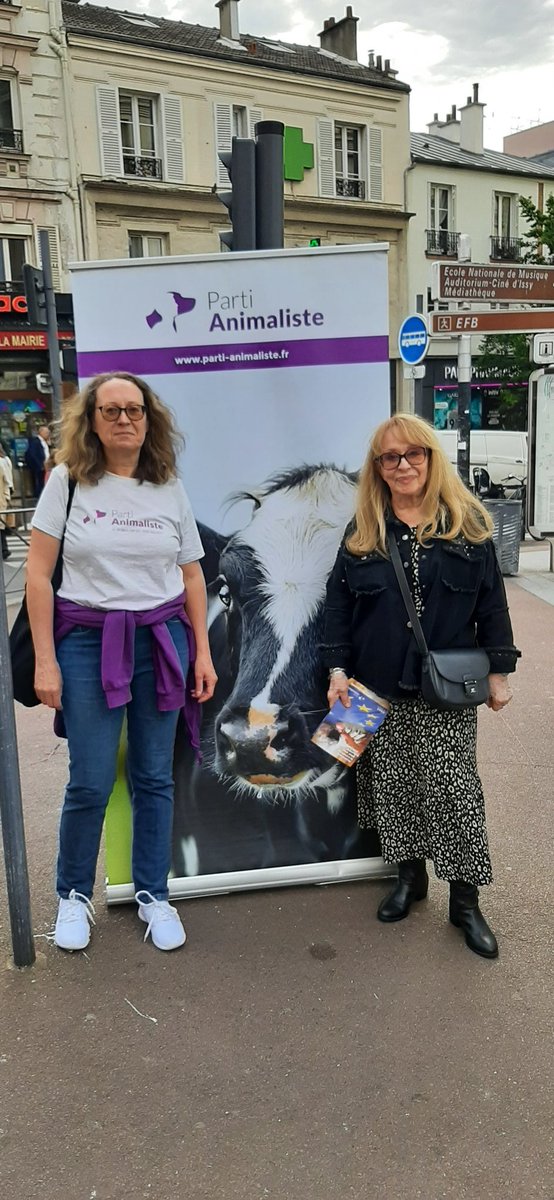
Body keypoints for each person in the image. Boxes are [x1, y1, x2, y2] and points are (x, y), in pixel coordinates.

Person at [26, 371, 217, 953]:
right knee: (89, 777)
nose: (124, 419)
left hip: (161, 642)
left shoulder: (168, 485)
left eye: (134, 410)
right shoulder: (68, 481)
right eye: (111, 411)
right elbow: (37, 574)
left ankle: (155, 895)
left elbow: (190, 574)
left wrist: (202, 652)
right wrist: (45, 662)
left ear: (149, 418)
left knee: (154, 776)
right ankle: (73, 896)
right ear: (92, 421)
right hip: (86, 644)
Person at [323, 414, 520, 960]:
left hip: (445, 690)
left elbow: (491, 604)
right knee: (390, 792)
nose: (403, 464)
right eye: (390, 457)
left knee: (454, 794)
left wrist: (499, 672)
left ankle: (465, 901)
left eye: (414, 454)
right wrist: (336, 672)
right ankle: (410, 881)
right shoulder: (362, 528)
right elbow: (337, 609)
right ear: (379, 468)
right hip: (370, 688)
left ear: (432, 459)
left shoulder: (468, 522)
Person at [25, 424, 50, 497]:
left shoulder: (45, 442)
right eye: (46, 433)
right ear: (41, 432)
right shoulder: (36, 442)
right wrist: (40, 465)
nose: (48, 435)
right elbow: (33, 454)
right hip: (40, 467)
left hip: (46, 466)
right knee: (40, 482)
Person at [0, 441, 14, 560]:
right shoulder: (6, 460)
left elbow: (7, 481)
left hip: (1, 498)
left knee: (1, 526)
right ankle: (4, 549)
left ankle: (4, 549)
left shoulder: (1, 463)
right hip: (3, 497)